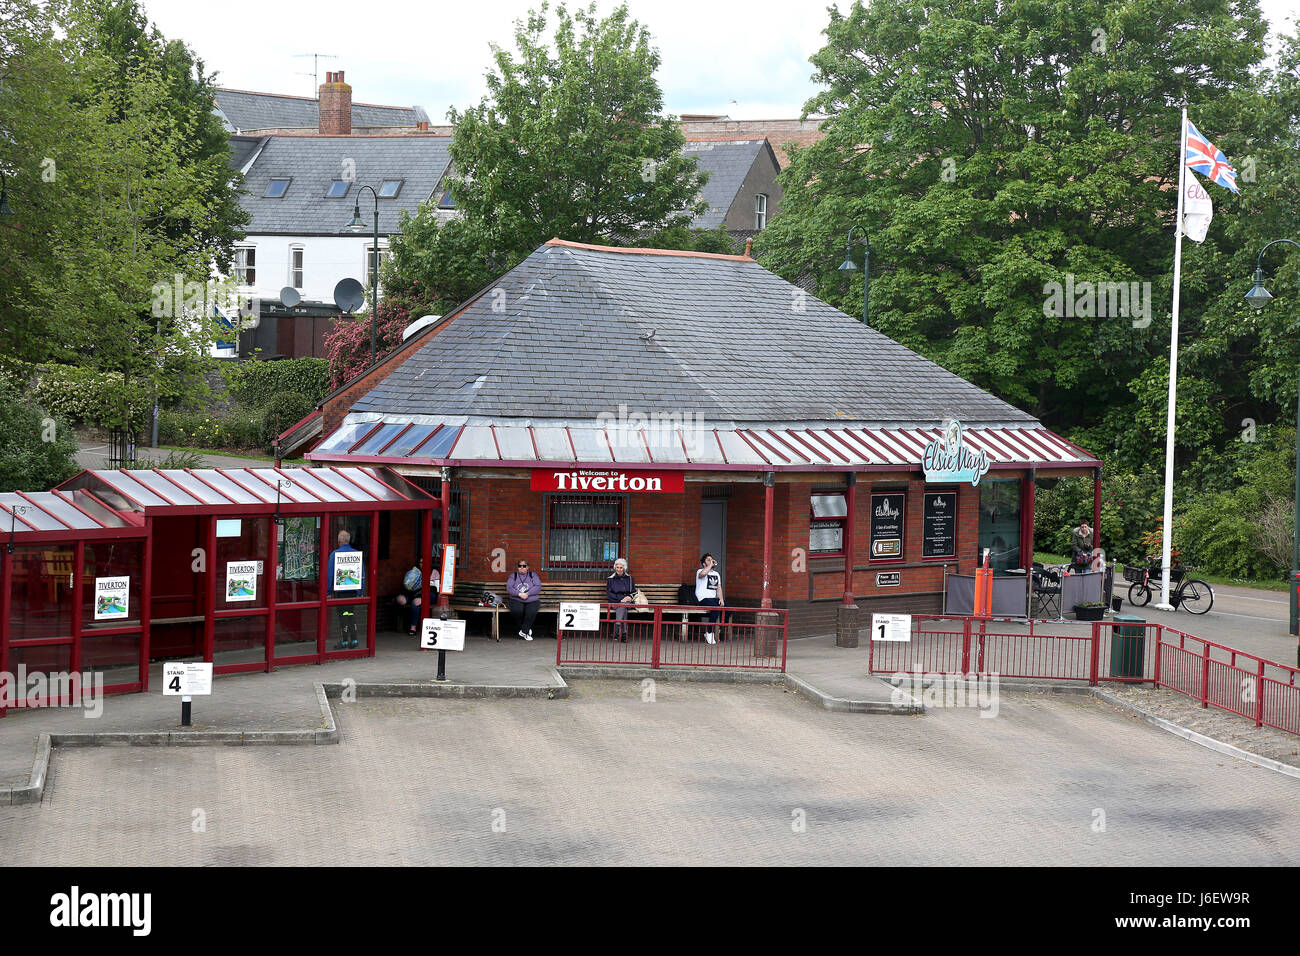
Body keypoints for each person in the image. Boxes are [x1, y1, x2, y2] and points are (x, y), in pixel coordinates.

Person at [329, 529, 364, 649]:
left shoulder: (335, 554)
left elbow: (330, 575)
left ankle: (344, 641)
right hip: (353, 591)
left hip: (341, 592)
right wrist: (360, 592)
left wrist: (328, 591)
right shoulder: (356, 554)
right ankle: (354, 640)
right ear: (349, 541)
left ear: (339, 541)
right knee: (350, 613)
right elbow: (361, 574)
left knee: (343, 615)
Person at [506, 559, 542, 641]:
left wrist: (528, 594)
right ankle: (526, 631)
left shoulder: (533, 575)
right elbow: (509, 587)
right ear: (517, 567)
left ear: (528, 567)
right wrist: (519, 594)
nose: (522, 567)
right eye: (519, 566)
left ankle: (524, 631)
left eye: (524, 566)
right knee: (517, 611)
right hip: (516, 599)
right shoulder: (513, 575)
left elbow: (538, 586)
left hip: (532, 599)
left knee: (531, 611)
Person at [695, 553, 725, 644]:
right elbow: (703, 574)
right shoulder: (699, 571)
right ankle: (709, 632)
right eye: (708, 560)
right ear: (704, 564)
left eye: (712, 559)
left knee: (728, 608)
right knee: (715, 609)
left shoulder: (716, 574)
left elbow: (719, 587)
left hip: (713, 598)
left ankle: (719, 629)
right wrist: (710, 566)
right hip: (703, 598)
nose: (711, 561)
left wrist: (721, 599)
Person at [606, 558, 636, 642]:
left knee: (623, 606)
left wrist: (629, 597)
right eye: (617, 567)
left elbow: (634, 592)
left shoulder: (629, 578)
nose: (619, 569)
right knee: (623, 609)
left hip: (627, 602)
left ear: (624, 568)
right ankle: (624, 634)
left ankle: (617, 625)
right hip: (614, 602)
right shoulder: (610, 579)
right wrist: (621, 599)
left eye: (621, 568)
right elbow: (609, 593)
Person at [394, 561, 423, 635]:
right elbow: (407, 586)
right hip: (412, 593)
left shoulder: (433, 572)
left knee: (415, 603)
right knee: (400, 600)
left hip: (427, 594)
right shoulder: (414, 572)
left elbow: (435, 589)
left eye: (424, 562)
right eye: (420, 562)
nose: (421, 564)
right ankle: (398, 625)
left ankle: (413, 628)